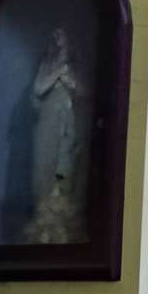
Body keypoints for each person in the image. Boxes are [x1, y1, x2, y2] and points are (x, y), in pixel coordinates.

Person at [22, 29, 88, 245]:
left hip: (68, 129)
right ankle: (43, 224)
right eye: (56, 36)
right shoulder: (48, 65)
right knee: (44, 173)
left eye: (63, 35)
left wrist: (70, 80)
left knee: (66, 173)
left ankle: (62, 223)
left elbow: (83, 92)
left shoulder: (75, 66)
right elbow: (39, 88)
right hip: (48, 129)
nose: (60, 41)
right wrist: (57, 73)